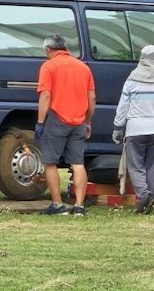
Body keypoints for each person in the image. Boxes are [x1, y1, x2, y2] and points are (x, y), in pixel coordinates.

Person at [112, 45, 154, 214]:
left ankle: (144, 196)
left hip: (135, 129)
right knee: (153, 167)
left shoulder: (132, 79)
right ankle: (152, 200)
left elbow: (123, 106)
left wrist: (118, 127)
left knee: (135, 167)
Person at [35, 35, 96, 216]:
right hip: (79, 121)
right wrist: (88, 121)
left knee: (50, 162)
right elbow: (92, 98)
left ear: (48, 50)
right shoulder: (83, 68)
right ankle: (79, 206)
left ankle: (57, 204)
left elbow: (45, 95)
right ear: (65, 47)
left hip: (57, 119)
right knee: (77, 163)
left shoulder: (49, 66)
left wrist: (40, 122)